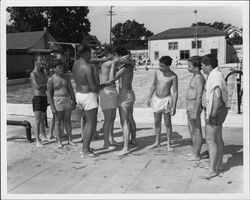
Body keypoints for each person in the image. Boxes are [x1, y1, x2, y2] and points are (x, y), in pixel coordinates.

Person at [72, 43, 112, 158]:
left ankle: (86, 146)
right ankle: (85, 150)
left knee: (86, 122)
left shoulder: (75, 64)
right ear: (85, 53)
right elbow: (93, 87)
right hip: (88, 96)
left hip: (79, 95)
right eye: (89, 52)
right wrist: (105, 84)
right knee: (91, 123)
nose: (91, 55)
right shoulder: (87, 68)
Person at [199, 54, 229, 179]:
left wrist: (213, 112)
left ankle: (212, 170)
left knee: (210, 140)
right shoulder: (216, 74)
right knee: (217, 138)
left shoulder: (214, 76)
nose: (201, 68)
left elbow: (217, 95)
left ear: (209, 66)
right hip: (220, 110)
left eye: (202, 66)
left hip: (215, 111)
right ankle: (219, 163)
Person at [147, 56, 178, 152]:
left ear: (168, 66)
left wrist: (174, 106)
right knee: (157, 122)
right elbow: (154, 85)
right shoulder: (157, 72)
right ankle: (157, 141)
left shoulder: (173, 76)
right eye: (159, 65)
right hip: (157, 99)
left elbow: (175, 92)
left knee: (168, 123)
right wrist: (149, 97)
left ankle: (168, 143)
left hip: (166, 100)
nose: (160, 67)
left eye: (162, 66)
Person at [111, 47, 137, 156]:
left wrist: (113, 64)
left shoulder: (123, 69)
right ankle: (134, 139)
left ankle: (126, 147)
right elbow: (131, 61)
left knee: (124, 122)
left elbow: (112, 79)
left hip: (124, 95)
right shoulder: (130, 65)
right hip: (130, 93)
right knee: (130, 118)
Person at [47, 59, 76, 149]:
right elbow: (49, 94)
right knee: (58, 122)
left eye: (62, 66)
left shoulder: (66, 77)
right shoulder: (51, 79)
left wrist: (74, 101)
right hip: (57, 100)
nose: (61, 68)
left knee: (67, 121)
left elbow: (71, 89)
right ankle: (59, 142)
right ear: (54, 69)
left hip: (67, 99)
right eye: (59, 67)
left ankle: (70, 140)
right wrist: (52, 106)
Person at [99, 47, 120, 149]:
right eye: (114, 54)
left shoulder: (112, 63)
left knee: (112, 118)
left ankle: (111, 139)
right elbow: (111, 79)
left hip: (112, 92)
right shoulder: (105, 64)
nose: (116, 56)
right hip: (106, 92)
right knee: (108, 119)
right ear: (110, 54)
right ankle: (105, 142)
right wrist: (115, 62)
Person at [186, 56, 205, 161]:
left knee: (196, 130)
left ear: (196, 68)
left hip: (194, 105)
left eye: (189, 66)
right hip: (190, 104)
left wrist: (195, 111)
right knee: (191, 129)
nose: (187, 68)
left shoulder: (199, 78)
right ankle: (194, 152)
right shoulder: (194, 76)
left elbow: (199, 96)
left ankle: (197, 154)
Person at [30, 55, 48, 148]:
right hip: (37, 98)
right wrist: (45, 85)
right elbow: (37, 86)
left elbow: (47, 84)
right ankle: (37, 141)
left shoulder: (43, 72)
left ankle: (43, 136)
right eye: (41, 60)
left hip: (44, 97)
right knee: (37, 120)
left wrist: (44, 85)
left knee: (42, 118)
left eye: (43, 59)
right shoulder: (33, 74)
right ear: (35, 62)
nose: (43, 61)